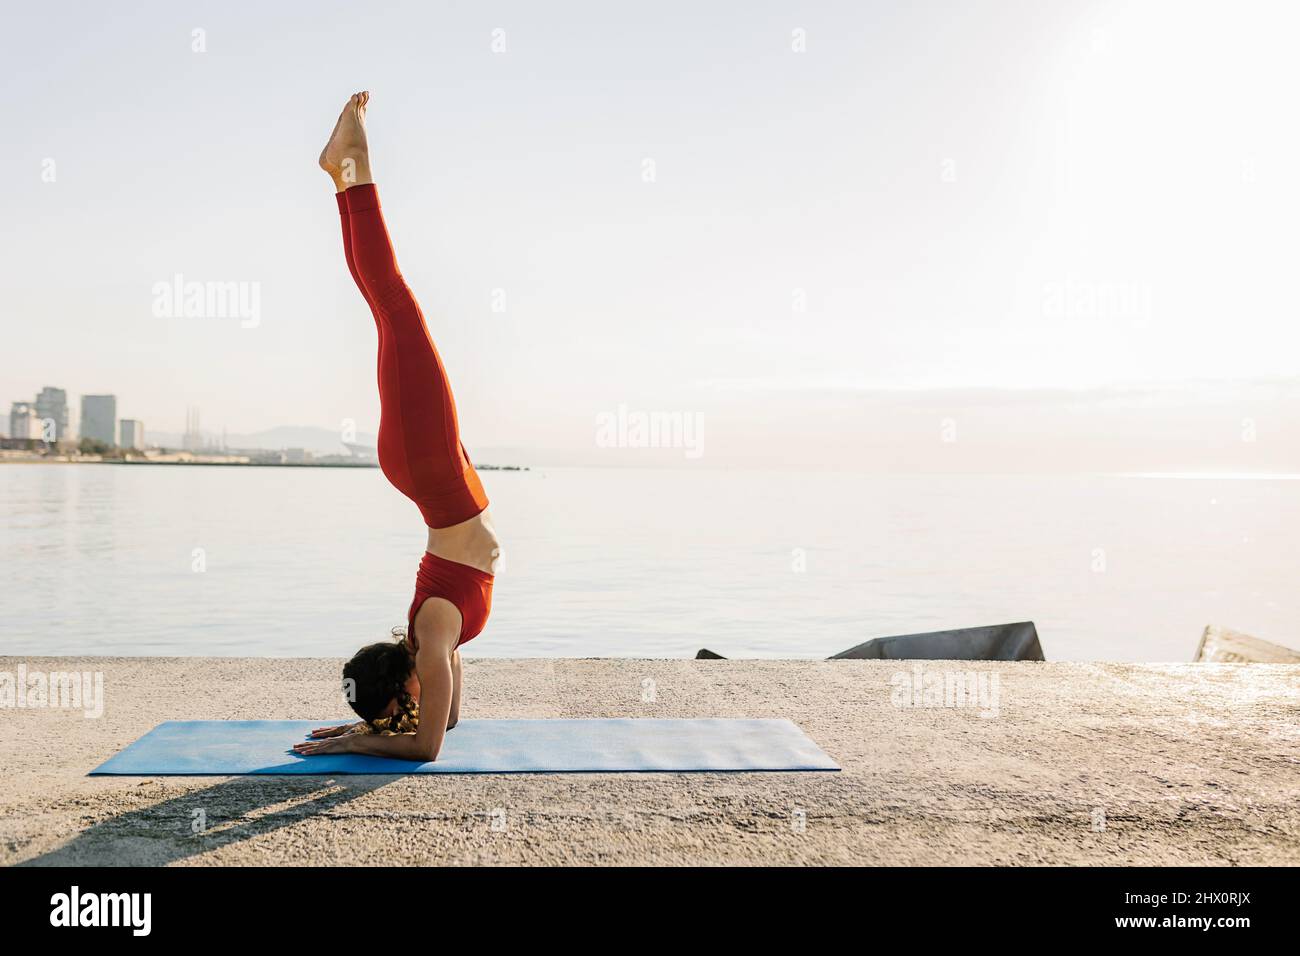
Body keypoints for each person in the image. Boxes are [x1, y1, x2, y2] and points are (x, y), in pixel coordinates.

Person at [293, 92, 500, 763]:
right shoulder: (436, 643)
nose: (413, 706)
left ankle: (351, 169)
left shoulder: (434, 632)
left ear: (401, 677)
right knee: (390, 305)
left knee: (394, 300)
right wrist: (368, 731)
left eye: (400, 702)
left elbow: (426, 746)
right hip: (433, 473)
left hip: (433, 471)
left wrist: (363, 736)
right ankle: (347, 169)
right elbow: (445, 733)